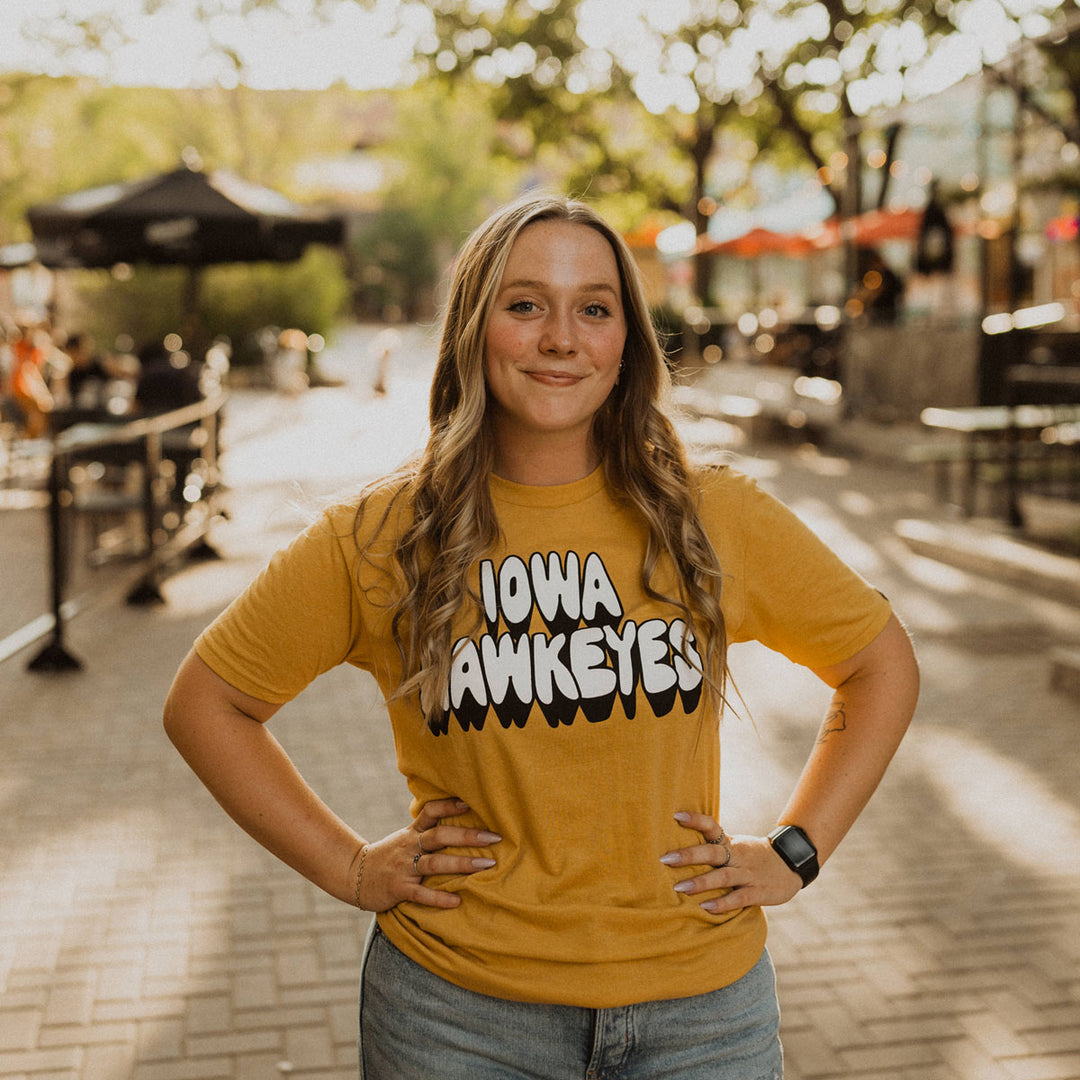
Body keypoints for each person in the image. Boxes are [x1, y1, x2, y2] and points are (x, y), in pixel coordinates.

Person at [164, 194, 919, 1079]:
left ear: (625, 341)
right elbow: (206, 705)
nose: (561, 337)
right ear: (474, 329)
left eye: (594, 309)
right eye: (526, 306)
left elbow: (879, 665)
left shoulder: (713, 515)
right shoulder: (379, 537)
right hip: (457, 1019)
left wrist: (797, 850)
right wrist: (352, 868)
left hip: (702, 1014)